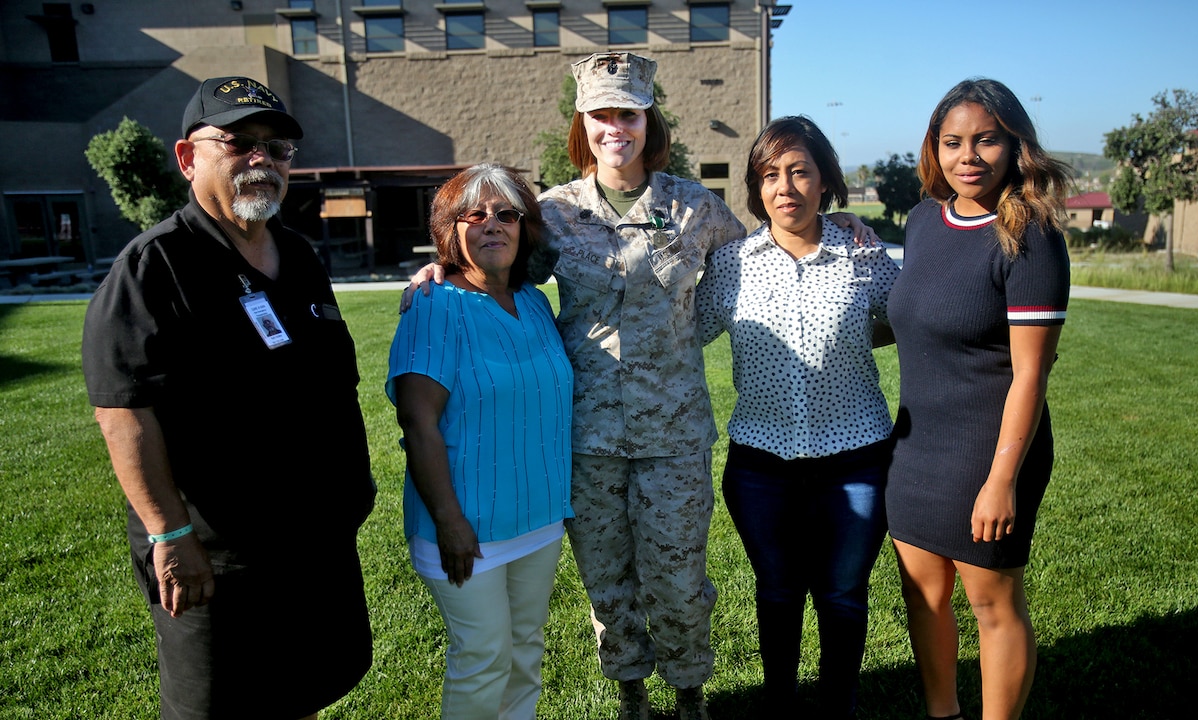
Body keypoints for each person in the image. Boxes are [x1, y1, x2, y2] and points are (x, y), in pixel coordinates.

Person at [405, 53, 866, 720]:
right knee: (607, 585)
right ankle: (630, 695)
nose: (614, 126)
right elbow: (492, 261)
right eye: (601, 114)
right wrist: (438, 271)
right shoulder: (554, 213)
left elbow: (762, 253)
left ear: (649, 120)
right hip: (586, 436)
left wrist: (838, 224)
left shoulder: (695, 207)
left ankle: (688, 695)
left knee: (679, 583)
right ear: (583, 123)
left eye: (628, 112)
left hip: (674, 436)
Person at [81, 76, 376, 720]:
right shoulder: (153, 268)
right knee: (216, 704)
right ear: (190, 158)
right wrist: (170, 533)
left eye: (277, 148)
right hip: (218, 557)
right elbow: (123, 413)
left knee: (306, 684)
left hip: (313, 542)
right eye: (239, 143)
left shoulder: (297, 254)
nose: (262, 161)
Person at [695, 116, 898, 719]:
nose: (785, 187)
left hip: (858, 461)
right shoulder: (733, 263)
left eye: (799, 171)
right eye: (769, 175)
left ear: (824, 182)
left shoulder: (863, 254)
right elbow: (683, 330)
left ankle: (840, 706)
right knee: (779, 593)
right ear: (757, 189)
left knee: (842, 595)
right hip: (761, 467)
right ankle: (779, 704)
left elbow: (915, 319)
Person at [885, 78, 1073, 720]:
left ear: (1014, 145)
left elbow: (1031, 375)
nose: (968, 155)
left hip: (988, 452)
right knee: (924, 596)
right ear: (934, 149)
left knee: (993, 603)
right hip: (914, 448)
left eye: (986, 140)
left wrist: (1001, 481)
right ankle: (943, 714)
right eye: (953, 141)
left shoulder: (1033, 234)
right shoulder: (919, 222)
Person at [386, 163, 573, 720]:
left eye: (506, 214)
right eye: (475, 214)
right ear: (451, 229)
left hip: (538, 518)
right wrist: (449, 520)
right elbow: (418, 424)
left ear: (524, 228)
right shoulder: (433, 305)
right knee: (484, 656)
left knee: (525, 654)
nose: (492, 224)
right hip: (467, 525)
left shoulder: (536, 304)